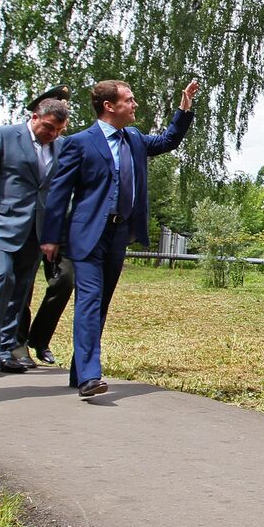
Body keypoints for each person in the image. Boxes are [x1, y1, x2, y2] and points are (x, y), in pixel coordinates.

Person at [42, 78, 200, 398]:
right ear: (109, 106)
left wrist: (184, 109)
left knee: (100, 303)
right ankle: (90, 376)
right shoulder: (79, 142)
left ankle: (80, 370)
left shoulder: (135, 139)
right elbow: (59, 194)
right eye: (129, 99)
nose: (135, 104)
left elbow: (169, 140)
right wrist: (51, 238)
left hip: (118, 233)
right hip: (87, 234)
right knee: (88, 300)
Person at [0, 90, 70, 376]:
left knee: (20, 291)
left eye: (58, 130)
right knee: (0, 280)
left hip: (36, 231)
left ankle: (7, 349)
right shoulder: (4, 136)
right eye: (48, 127)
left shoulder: (61, 147)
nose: (52, 134)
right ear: (34, 117)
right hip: (0, 224)